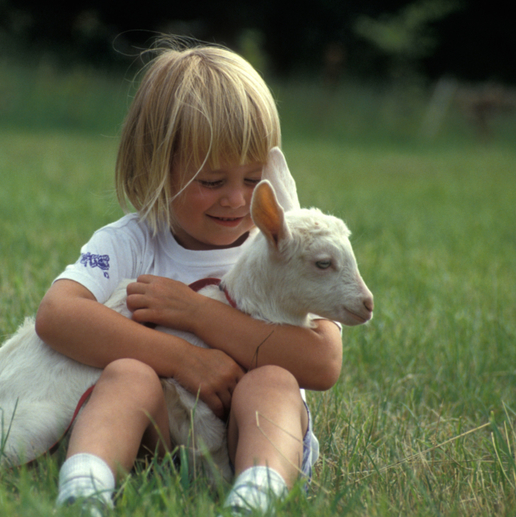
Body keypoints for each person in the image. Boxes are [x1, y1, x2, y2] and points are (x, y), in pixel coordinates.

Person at [33, 41, 342, 515]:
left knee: (273, 381)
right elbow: (58, 315)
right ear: (155, 165)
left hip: (251, 439)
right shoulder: (133, 241)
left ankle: (255, 497)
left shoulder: (288, 245)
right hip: (157, 449)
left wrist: (198, 314)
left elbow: (322, 363)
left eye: (253, 178)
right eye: (212, 181)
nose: (237, 201)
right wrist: (181, 358)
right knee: (128, 375)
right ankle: (84, 491)